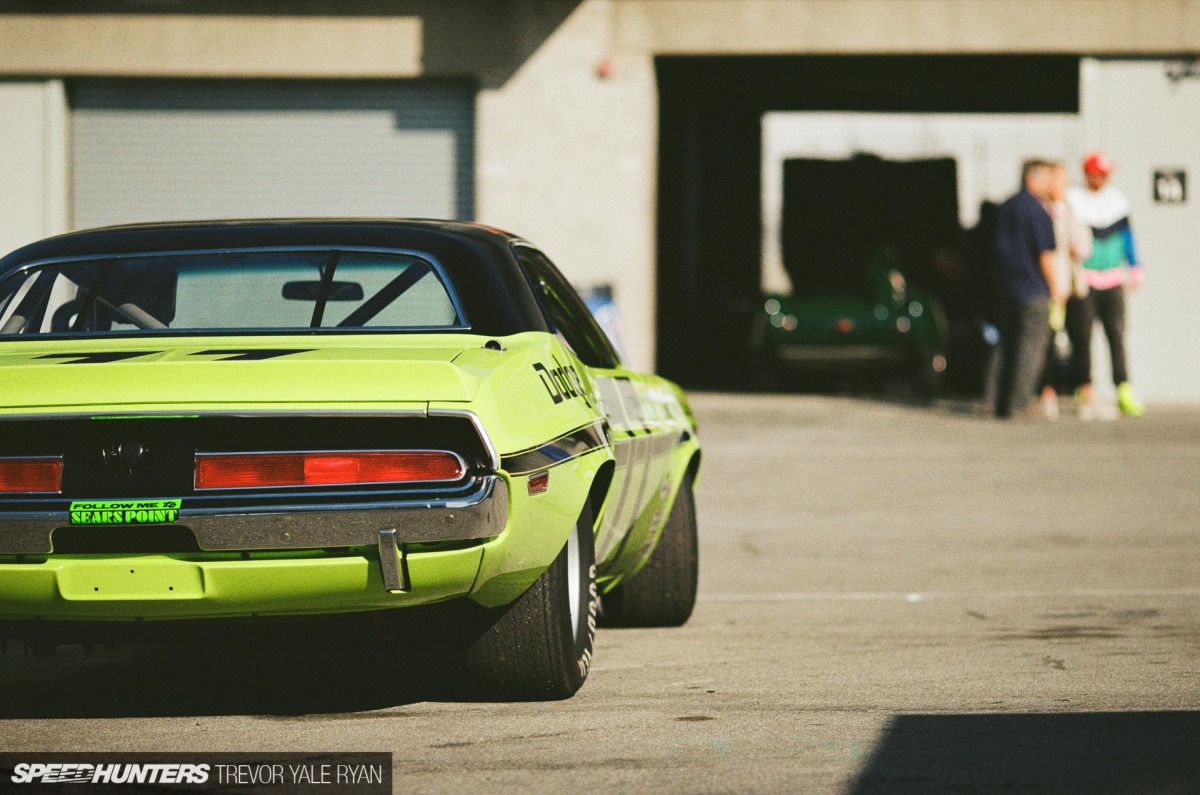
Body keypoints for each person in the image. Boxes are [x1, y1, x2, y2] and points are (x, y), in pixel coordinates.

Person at [1066, 152, 1145, 418]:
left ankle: (1123, 388)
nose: (1104, 178)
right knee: (1082, 337)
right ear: (1088, 174)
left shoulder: (1117, 201)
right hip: (1085, 280)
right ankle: (1084, 389)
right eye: (1099, 173)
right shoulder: (1073, 199)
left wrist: (1135, 266)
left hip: (1112, 280)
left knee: (1117, 335)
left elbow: (1127, 236)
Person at [992, 159, 1066, 419]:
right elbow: (1044, 254)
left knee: (1005, 345)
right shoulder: (1037, 211)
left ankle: (994, 399)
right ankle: (1019, 403)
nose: (1049, 183)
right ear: (1031, 178)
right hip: (1032, 288)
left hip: (1006, 287)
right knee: (1030, 348)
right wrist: (1055, 286)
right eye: (1045, 178)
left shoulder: (1005, 207)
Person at [1039, 161, 1092, 419]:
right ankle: (1047, 392)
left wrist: (1080, 247)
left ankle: (1086, 392)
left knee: (1081, 339)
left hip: (1075, 286)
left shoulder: (1072, 209)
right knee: (1048, 342)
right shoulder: (1040, 211)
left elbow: (1085, 241)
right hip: (1054, 287)